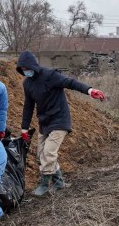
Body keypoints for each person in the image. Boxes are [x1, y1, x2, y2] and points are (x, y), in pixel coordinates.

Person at [16, 51, 106, 196]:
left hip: (59, 119)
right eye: (23, 70)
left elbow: (70, 83)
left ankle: (44, 185)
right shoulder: (28, 84)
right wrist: (24, 129)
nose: (26, 71)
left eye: (27, 68)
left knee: (49, 152)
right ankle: (59, 183)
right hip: (44, 121)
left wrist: (89, 90)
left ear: (33, 66)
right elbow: (28, 106)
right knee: (41, 156)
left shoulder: (50, 76)